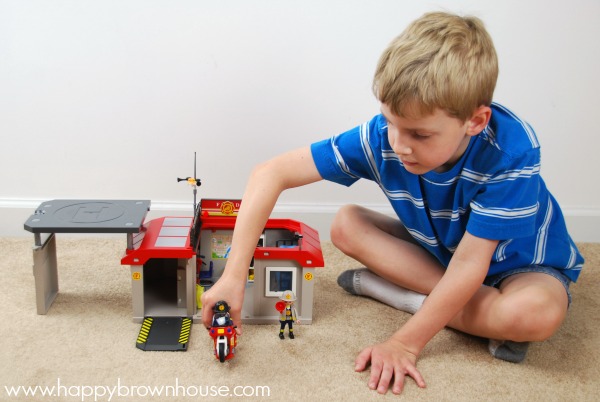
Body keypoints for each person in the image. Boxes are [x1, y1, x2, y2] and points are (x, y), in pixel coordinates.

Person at [202, 11, 584, 395]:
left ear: (476, 121)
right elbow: (270, 173)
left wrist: (405, 343)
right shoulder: (382, 137)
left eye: (420, 134)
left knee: (536, 315)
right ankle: (476, 315)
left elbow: (472, 264)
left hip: (521, 266)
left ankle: (394, 294)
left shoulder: (512, 153)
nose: (399, 145)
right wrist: (233, 277)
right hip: (446, 253)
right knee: (345, 225)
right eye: (391, 122)